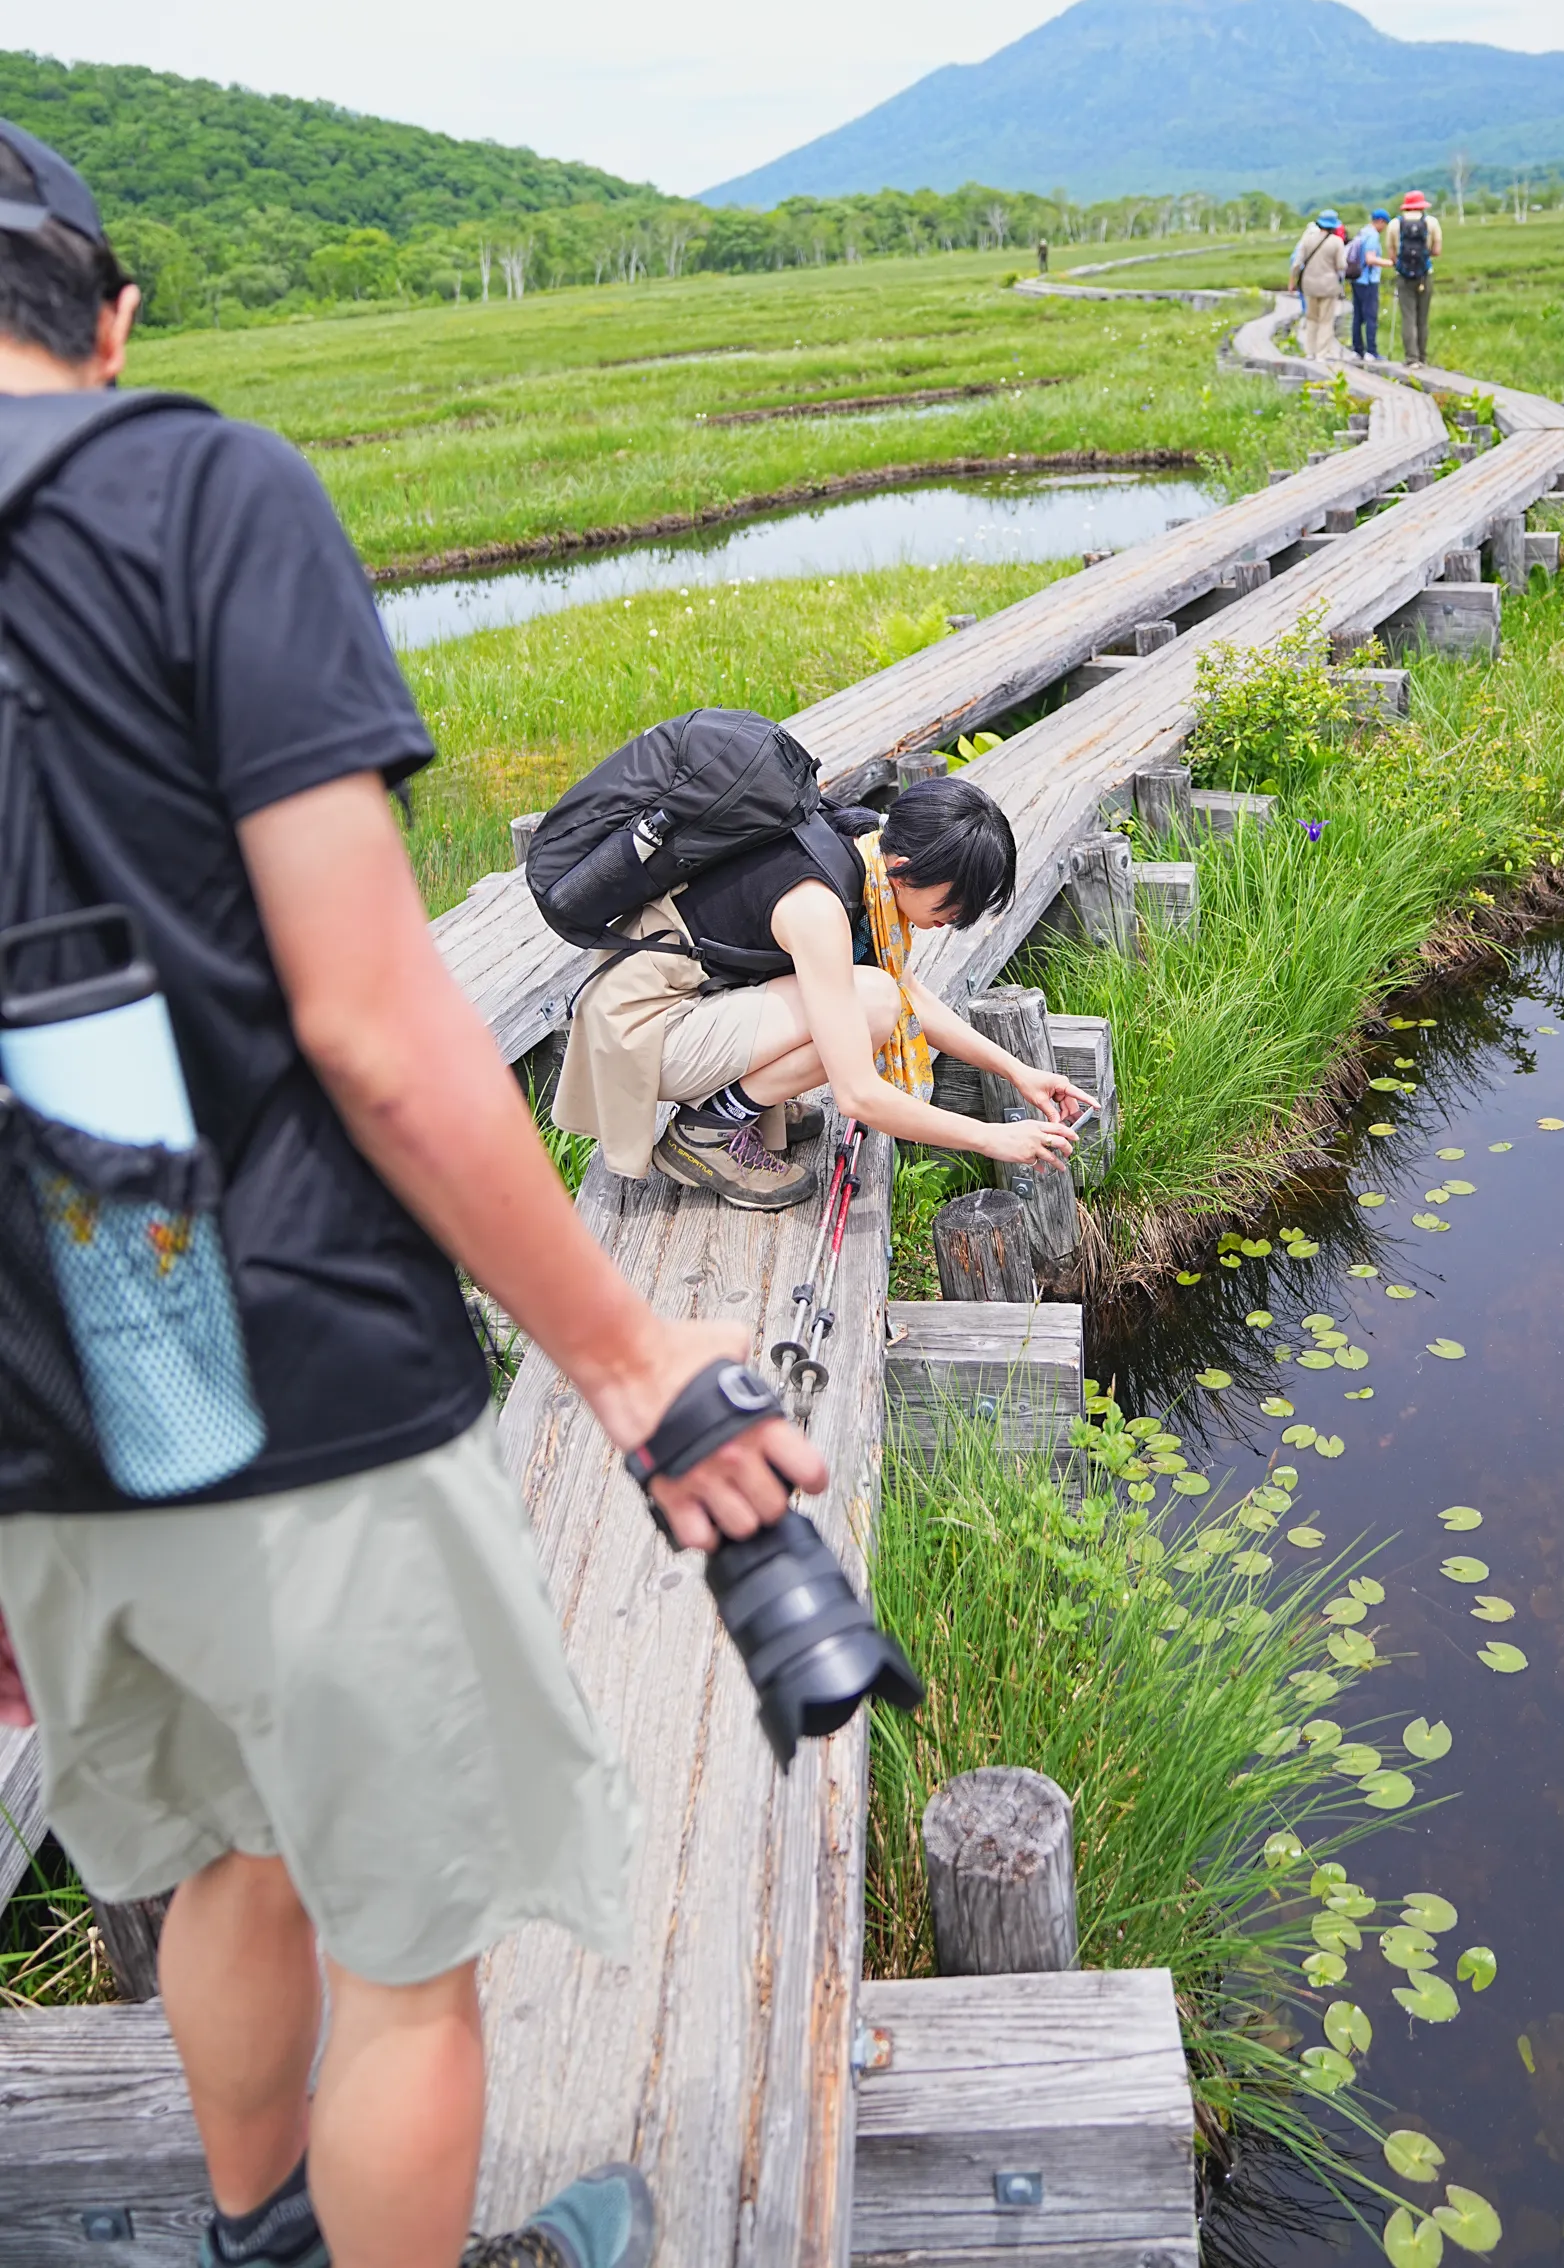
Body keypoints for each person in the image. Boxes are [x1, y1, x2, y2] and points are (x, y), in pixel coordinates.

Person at [0, 122, 823, 2268]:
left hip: (43, 1419)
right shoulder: (196, 494)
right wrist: (637, 1360)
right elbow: (373, 1022)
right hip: (287, 1379)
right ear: (109, 314)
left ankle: (259, 2230)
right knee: (406, 1957)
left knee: (222, 1864)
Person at [551, 774, 1091, 1211]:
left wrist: (1019, 1073)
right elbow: (857, 1094)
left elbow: (912, 998)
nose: (951, 923)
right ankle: (708, 1129)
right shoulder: (817, 906)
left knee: (879, 996)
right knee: (872, 1004)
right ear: (904, 871)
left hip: (678, 1003)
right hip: (645, 1031)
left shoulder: (858, 850)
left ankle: (743, 1103)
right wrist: (992, 1139)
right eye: (953, 907)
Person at [1391, 189, 1444, 364]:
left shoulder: (1394, 225)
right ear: (1422, 205)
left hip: (1403, 276)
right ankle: (1423, 357)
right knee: (1423, 318)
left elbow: (1392, 255)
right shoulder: (1432, 223)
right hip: (1425, 275)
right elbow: (1436, 251)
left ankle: (1411, 358)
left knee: (1408, 317)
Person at [1288, 208, 1346, 365]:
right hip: (1328, 285)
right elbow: (1341, 265)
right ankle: (1321, 353)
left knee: (1311, 318)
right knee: (1326, 320)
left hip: (1309, 285)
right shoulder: (1336, 242)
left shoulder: (1307, 239)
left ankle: (1310, 352)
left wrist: (1292, 281)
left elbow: (1297, 263)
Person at [1347, 207, 1389, 361]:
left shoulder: (1362, 232)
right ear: (1379, 221)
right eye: (1385, 223)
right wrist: (1389, 263)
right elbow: (1370, 259)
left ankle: (1357, 349)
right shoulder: (1372, 236)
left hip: (1356, 278)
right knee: (1371, 316)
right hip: (1368, 280)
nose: (1384, 227)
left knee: (1357, 315)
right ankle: (1371, 351)